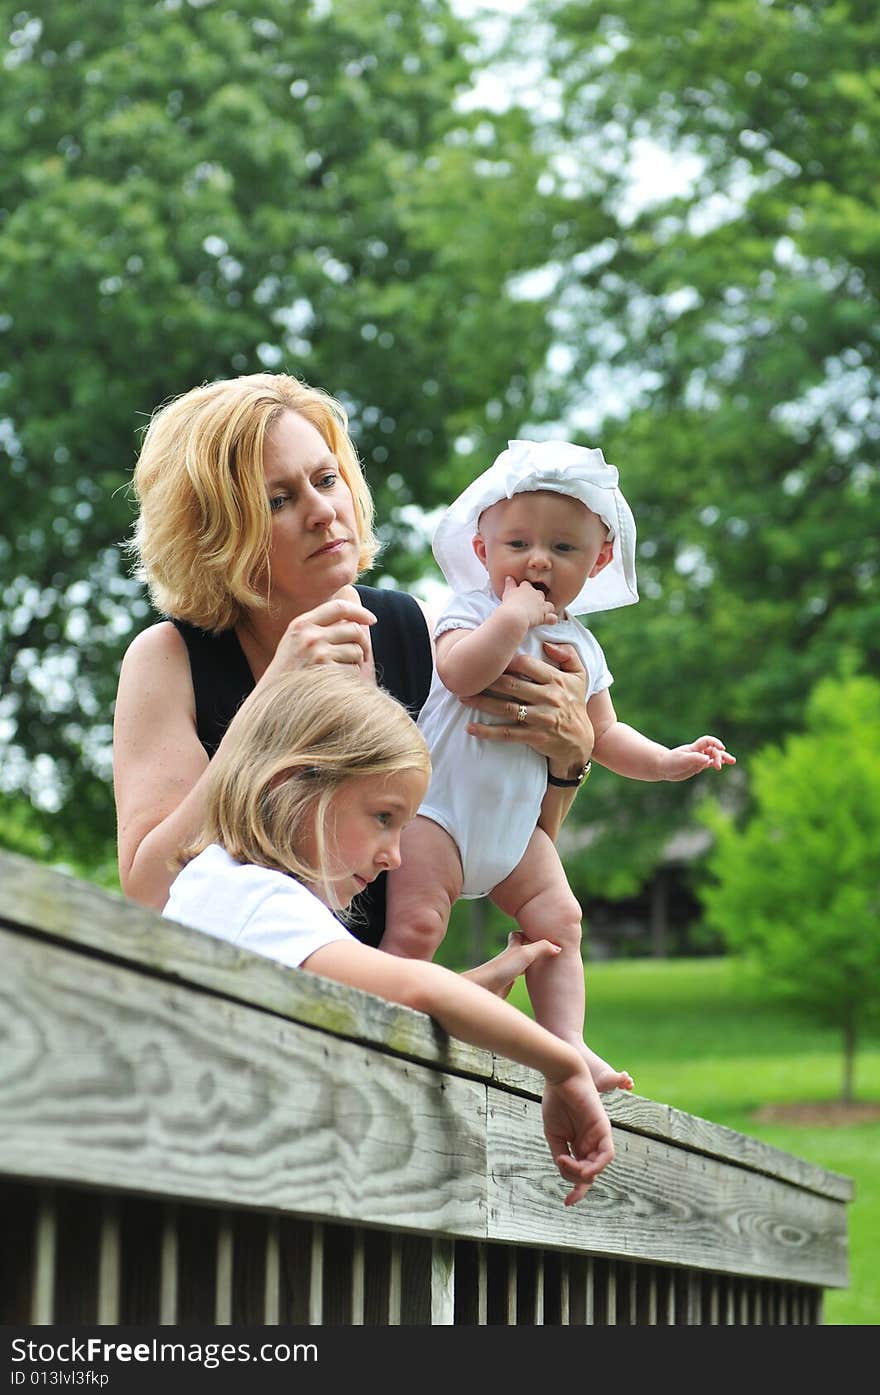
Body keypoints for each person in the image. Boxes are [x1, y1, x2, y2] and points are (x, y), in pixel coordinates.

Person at [113, 374, 594, 979]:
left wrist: (566, 764)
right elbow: (152, 894)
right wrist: (271, 705)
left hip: (381, 1007)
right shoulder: (169, 660)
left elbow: (499, 843)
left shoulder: (429, 637)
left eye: (325, 479)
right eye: (278, 500)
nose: (322, 512)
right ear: (213, 532)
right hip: (222, 1006)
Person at [163, 666, 615, 1206]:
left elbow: (377, 999)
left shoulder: (219, 885)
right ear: (294, 783)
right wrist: (562, 1065)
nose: (395, 856)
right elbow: (414, 990)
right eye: (383, 817)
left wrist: (470, 990)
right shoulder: (256, 896)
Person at [382, 439, 736, 1090]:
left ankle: (565, 1043)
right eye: (518, 544)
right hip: (439, 811)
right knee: (416, 922)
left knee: (560, 919)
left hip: (515, 833)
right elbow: (461, 674)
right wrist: (513, 618)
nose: (538, 558)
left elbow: (602, 731)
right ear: (483, 551)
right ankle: (387, 1018)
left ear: (598, 560)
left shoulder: (581, 645)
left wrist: (666, 761)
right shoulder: (471, 609)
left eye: (563, 548)